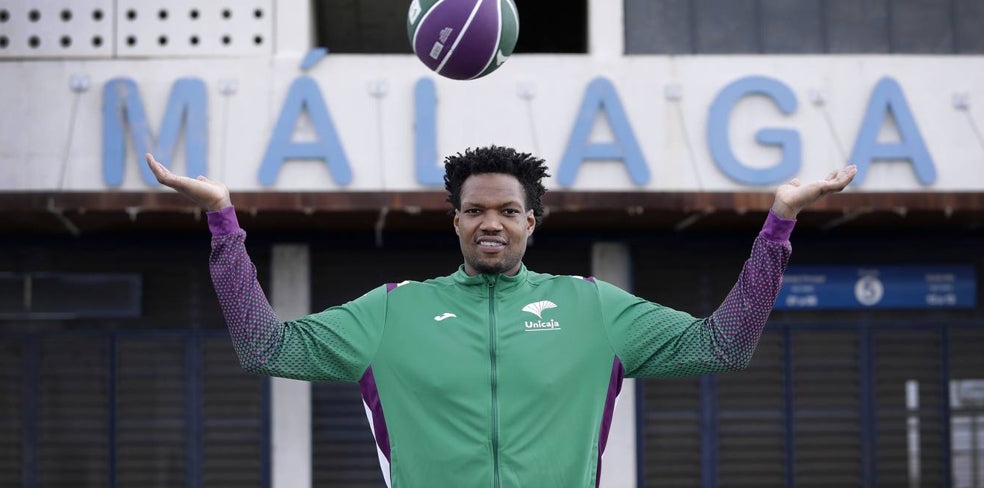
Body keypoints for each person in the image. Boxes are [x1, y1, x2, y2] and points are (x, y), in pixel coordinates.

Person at [146, 146, 856, 488]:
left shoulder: (592, 306)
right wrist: (221, 221)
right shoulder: (394, 311)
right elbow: (264, 347)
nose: (493, 222)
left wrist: (779, 226)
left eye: (509, 210)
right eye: (477, 210)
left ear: (532, 223)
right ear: (455, 222)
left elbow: (725, 346)